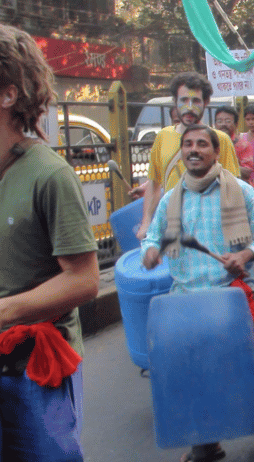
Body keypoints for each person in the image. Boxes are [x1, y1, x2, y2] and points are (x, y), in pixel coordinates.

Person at [140, 124, 254, 462]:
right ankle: (206, 440)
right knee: (192, 374)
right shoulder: (171, 199)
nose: (194, 150)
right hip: (185, 300)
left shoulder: (242, 192)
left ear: (216, 153)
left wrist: (244, 255)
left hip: (228, 297)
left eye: (202, 144)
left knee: (253, 369)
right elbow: (153, 237)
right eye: (188, 144)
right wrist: (150, 250)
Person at [0, 24, 99, 461]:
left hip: (34, 374)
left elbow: (82, 280)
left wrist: (5, 311)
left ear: (7, 95)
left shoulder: (49, 174)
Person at [137, 72, 240, 239]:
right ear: (175, 102)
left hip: (211, 231)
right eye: (183, 100)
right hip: (173, 229)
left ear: (206, 102)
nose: (189, 107)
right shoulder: (163, 137)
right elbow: (154, 186)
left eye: (196, 101)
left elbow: (233, 188)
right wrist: (146, 222)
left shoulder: (221, 140)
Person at [215, 107, 254, 192]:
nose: (223, 124)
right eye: (219, 121)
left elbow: (247, 172)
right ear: (215, 124)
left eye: (228, 121)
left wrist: (226, 163)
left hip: (236, 189)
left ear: (236, 124)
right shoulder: (209, 144)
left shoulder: (243, 145)